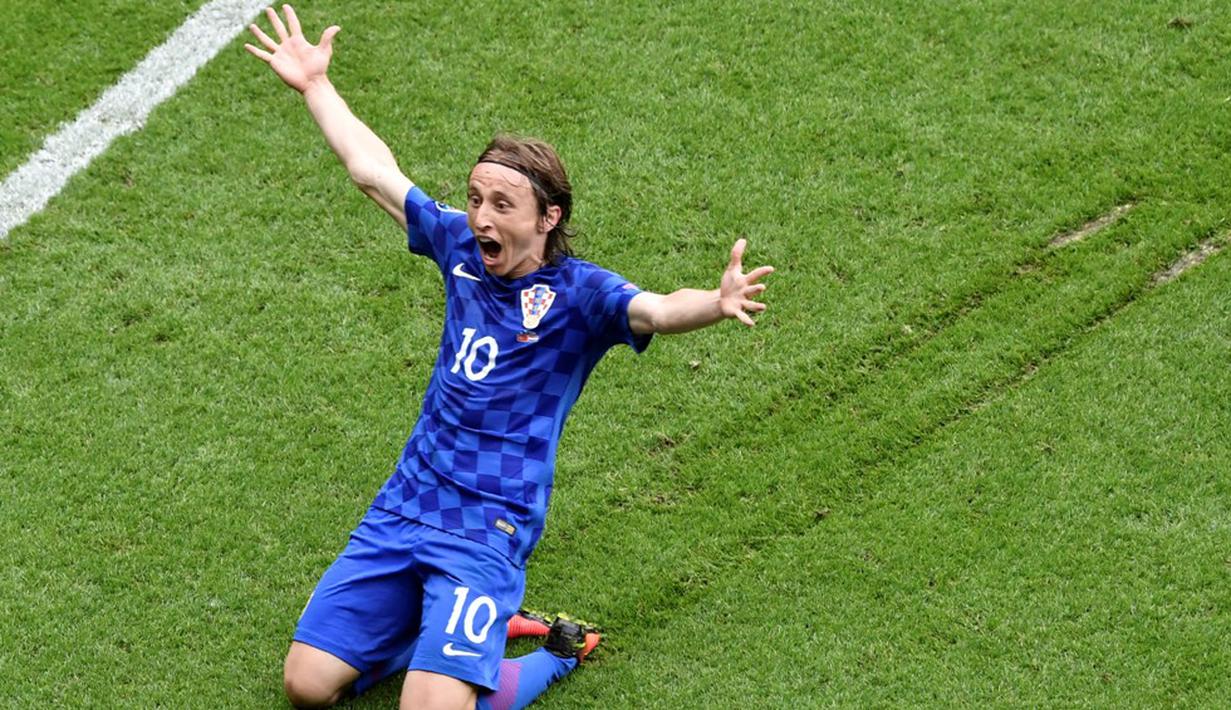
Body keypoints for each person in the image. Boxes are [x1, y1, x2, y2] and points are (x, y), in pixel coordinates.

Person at [245, 6, 773, 709]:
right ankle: (435, 636)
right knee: (306, 686)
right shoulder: (460, 247)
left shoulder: (580, 294)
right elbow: (373, 172)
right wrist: (315, 86)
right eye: (473, 199)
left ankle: (554, 653)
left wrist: (714, 301)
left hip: (487, 524)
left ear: (547, 217)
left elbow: (654, 309)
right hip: (408, 501)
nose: (481, 217)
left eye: (500, 204)